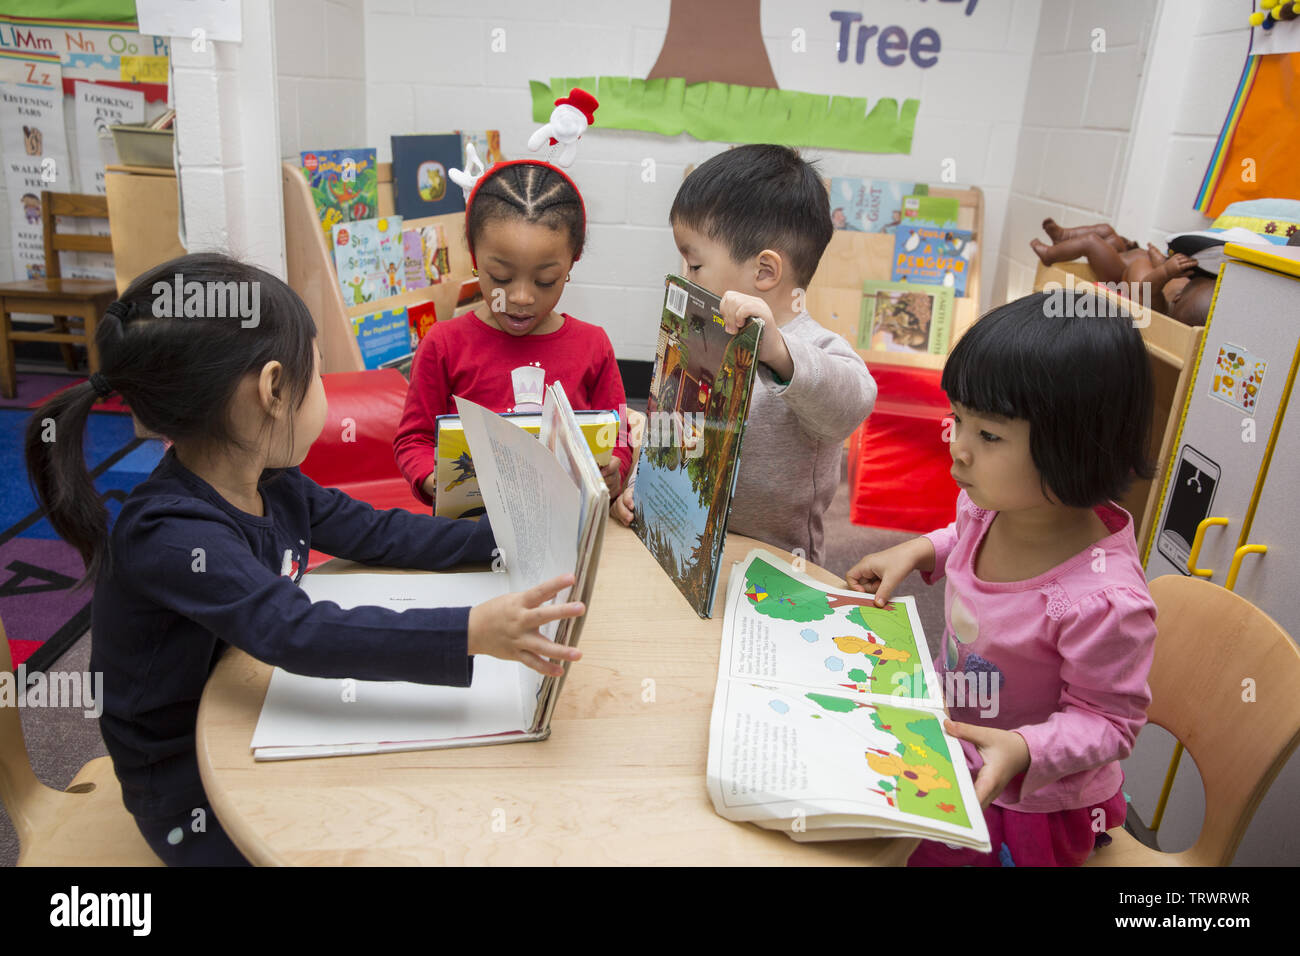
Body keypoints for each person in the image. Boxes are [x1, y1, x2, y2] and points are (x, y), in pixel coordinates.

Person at [24, 253, 584, 866]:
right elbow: (296, 631)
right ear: (272, 389)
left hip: (251, 711)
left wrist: (515, 534)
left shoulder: (273, 480)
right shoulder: (170, 535)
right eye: (318, 373)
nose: (324, 388)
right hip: (185, 783)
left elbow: (380, 533)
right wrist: (472, 631)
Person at [845, 290, 1159, 866]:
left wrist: (1021, 748)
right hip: (953, 730)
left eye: (989, 436)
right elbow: (961, 535)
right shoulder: (994, 507)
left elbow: (1109, 723)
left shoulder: (1104, 602)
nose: (957, 449)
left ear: (1075, 448)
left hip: (1022, 794)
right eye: (957, 420)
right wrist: (919, 550)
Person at [613, 144, 877, 567]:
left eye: (695, 266)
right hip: (689, 538)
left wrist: (779, 353)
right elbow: (674, 419)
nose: (685, 277)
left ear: (765, 272)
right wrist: (644, 484)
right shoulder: (703, 332)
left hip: (778, 561)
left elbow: (851, 404)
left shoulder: (813, 348)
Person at [394, 161, 632, 507]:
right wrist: (433, 478)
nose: (521, 298)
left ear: (571, 263)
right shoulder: (443, 344)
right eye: (501, 277)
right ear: (475, 257)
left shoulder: (592, 345)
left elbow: (620, 431)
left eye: (545, 281)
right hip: (473, 529)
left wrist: (616, 467)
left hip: (566, 529)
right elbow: (413, 438)